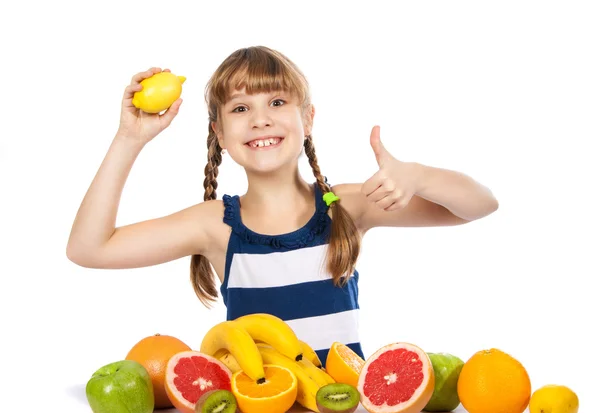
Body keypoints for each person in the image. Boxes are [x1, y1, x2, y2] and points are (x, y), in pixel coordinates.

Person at [66, 45, 499, 364]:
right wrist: (130, 139)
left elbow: (479, 205)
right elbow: (89, 249)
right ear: (218, 131)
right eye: (240, 108)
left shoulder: (346, 205)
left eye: (277, 102)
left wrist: (418, 176)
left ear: (307, 119)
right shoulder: (214, 225)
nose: (260, 119)